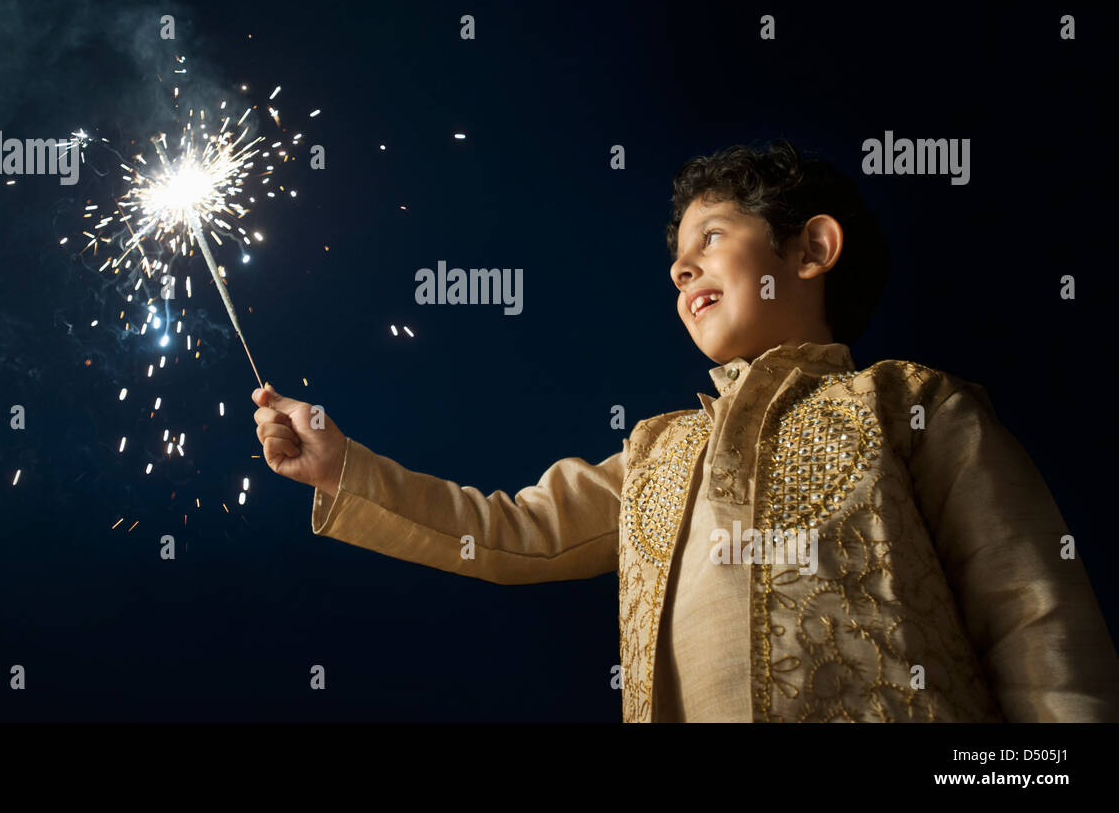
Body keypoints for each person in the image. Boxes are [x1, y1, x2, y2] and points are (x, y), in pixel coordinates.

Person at [252, 139, 1119, 722]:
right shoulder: (656, 451)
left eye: (712, 235)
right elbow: (510, 529)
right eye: (676, 259)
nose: (681, 266)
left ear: (812, 250)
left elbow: (1034, 617)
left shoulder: (911, 405)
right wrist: (343, 468)